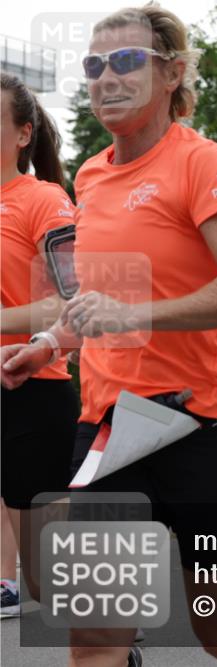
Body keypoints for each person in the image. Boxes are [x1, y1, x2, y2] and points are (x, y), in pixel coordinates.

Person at [1, 7, 217, 664]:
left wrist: (136, 314)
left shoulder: (201, 161)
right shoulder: (91, 178)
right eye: (95, 66)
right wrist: (49, 343)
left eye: (126, 62)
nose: (106, 79)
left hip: (208, 423)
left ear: (172, 73)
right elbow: (101, 304)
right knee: (95, 635)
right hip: (111, 428)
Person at [0, 72, 79, 623]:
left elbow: (70, 302)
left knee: (47, 580)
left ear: (23, 133)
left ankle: (109, 626)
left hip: (33, 391)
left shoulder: (43, 199)